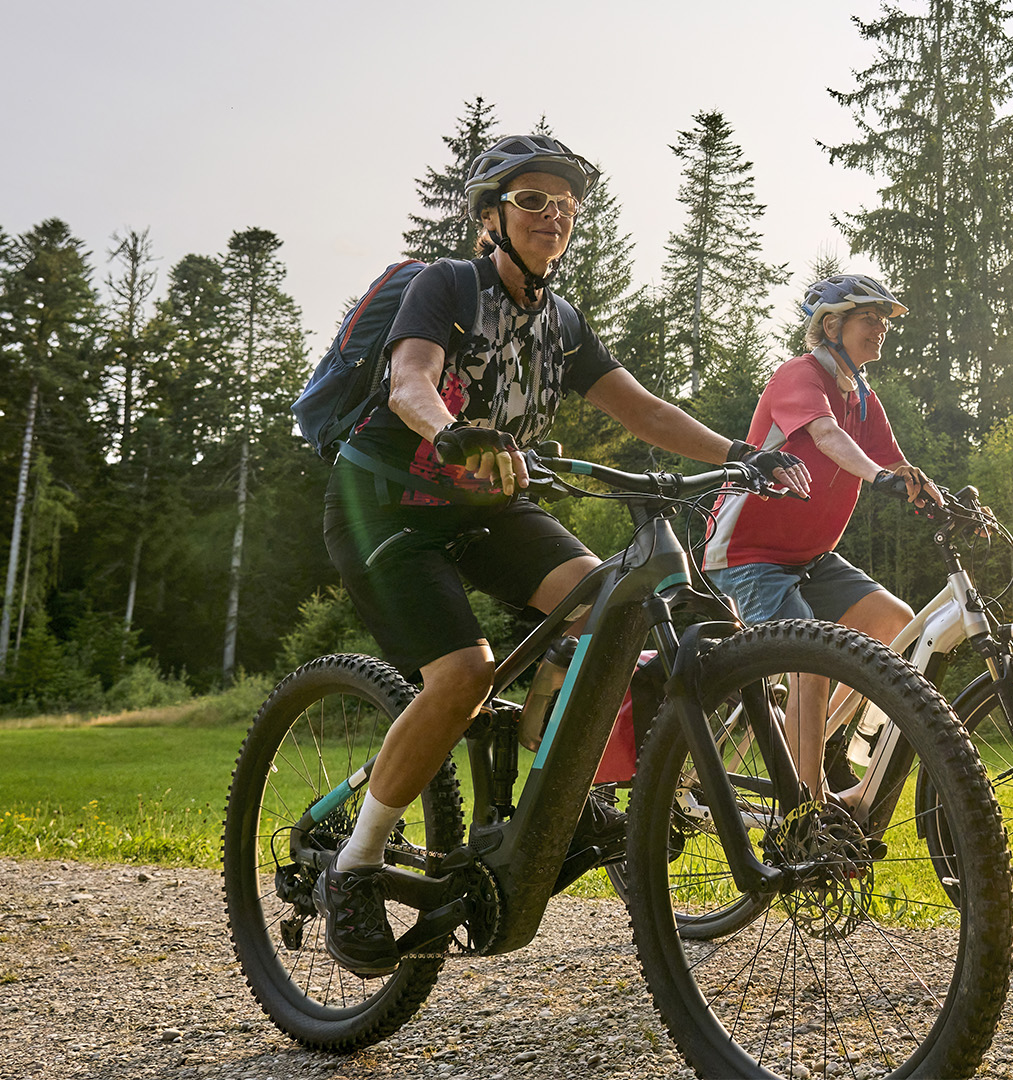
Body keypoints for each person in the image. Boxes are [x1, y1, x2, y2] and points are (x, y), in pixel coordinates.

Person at [320, 134, 807, 977]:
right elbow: (410, 382)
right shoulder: (448, 286)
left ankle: (558, 787)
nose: (555, 215)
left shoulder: (562, 323)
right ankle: (354, 866)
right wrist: (451, 431)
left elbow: (643, 410)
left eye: (568, 204)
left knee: (607, 607)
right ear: (491, 217)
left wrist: (741, 452)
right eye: (533, 200)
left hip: (488, 506)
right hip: (385, 503)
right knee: (463, 676)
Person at [702, 273, 942, 807]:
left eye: (883, 321)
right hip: (747, 554)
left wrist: (943, 503)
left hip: (810, 557)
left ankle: (816, 741)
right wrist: (876, 477)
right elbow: (827, 435)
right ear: (832, 327)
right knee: (810, 655)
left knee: (894, 623)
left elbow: (896, 466)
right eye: (869, 319)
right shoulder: (800, 374)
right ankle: (805, 810)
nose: (880, 328)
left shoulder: (863, 396)